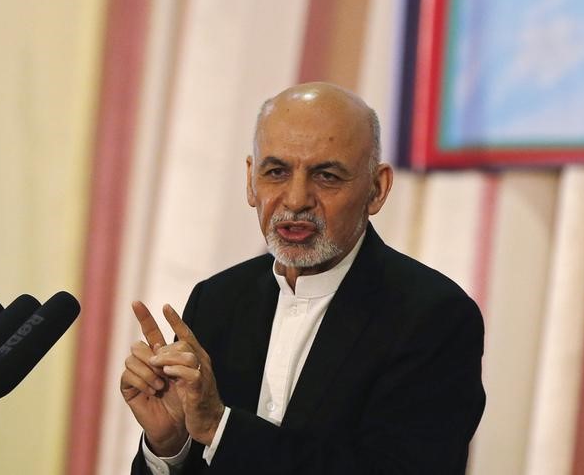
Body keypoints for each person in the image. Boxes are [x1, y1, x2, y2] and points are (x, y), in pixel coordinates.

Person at [120, 82, 485, 474]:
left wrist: (219, 427)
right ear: (250, 181)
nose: (296, 200)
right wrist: (169, 445)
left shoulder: (433, 317)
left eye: (326, 176)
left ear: (376, 190)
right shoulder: (218, 299)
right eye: (276, 172)